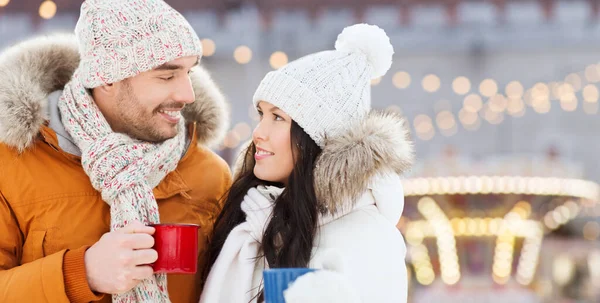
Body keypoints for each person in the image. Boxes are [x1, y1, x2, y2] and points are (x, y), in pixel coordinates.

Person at [0, 0, 231, 302]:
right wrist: (82, 272)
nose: (187, 94)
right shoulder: (12, 165)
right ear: (106, 78)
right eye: (166, 75)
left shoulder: (208, 174)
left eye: (188, 72)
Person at [199, 23, 414, 303]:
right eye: (261, 115)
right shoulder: (253, 218)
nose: (258, 133)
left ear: (316, 138)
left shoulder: (368, 238)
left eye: (278, 118)